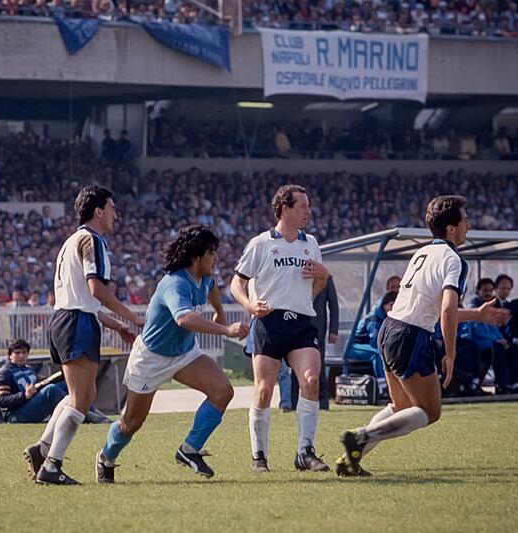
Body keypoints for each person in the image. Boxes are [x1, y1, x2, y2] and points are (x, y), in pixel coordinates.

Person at [336, 195, 509, 477]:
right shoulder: (454, 260)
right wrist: (450, 354)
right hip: (411, 336)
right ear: (451, 228)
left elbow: (435, 307)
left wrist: (477, 314)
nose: (469, 224)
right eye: (465, 219)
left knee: (400, 406)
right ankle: (360, 436)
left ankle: (349, 460)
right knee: (429, 411)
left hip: (390, 330)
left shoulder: (422, 253)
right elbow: (447, 307)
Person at [95, 225, 248, 482]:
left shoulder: (204, 277)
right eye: (211, 253)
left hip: (185, 353)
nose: (216, 259)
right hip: (151, 359)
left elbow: (211, 288)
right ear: (196, 257)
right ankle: (105, 457)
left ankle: (189, 450)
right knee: (131, 424)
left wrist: (219, 309)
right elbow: (185, 318)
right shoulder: (174, 283)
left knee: (223, 391)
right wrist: (225, 328)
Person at [23, 185, 143, 485]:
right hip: (76, 323)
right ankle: (51, 465)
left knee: (85, 395)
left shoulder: (71, 241)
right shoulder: (92, 240)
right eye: (112, 208)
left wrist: (116, 324)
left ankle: (43, 449)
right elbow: (95, 289)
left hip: (68, 319)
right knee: (80, 399)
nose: (116, 214)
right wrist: (131, 315)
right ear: (98, 211)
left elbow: (81, 297)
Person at [231, 184, 330, 473]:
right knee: (263, 391)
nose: (308, 212)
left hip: (300, 323)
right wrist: (250, 306)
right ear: (285, 209)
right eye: (302, 207)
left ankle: (305, 452)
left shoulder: (310, 243)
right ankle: (258, 456)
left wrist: (323, 278)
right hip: (268, 322)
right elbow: (236, 282)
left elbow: (319, 283)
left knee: (311, 380)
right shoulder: (261, 243)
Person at [290, 274, 339, 410]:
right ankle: (293, 403)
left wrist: (333, 330)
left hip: (317, 329)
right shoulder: (295, 275)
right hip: (296, 327)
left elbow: (333, 305)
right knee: (294, 367)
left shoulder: (326, 277)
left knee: (319, 367)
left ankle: (322, 403)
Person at [0, 339, 67, 423]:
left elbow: (41, 384)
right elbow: (2, 401)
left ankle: (79, 411)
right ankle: (77, 415)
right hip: (15, 414)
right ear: (10, 355)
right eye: (17, 353)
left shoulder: (29, 369)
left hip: (31, 405)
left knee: (66, 383)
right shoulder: (3, 373)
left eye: (24, 352)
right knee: (51, 390)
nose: (21, 356)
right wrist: (24, 395)